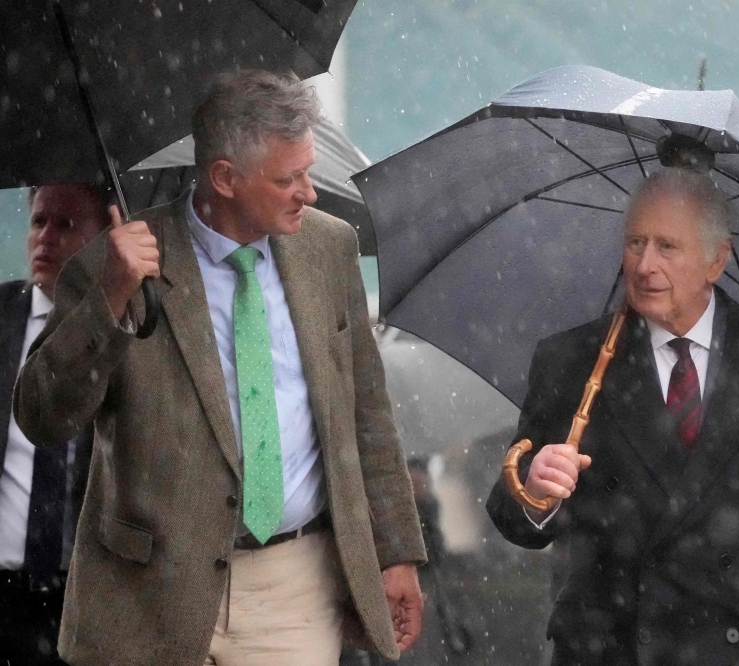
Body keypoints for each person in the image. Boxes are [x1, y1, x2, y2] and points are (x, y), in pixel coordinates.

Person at [12, 70, 426, 666]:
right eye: (289, 178)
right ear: (225, 178)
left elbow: (367, 411)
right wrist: (109, 300)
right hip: (147, 595)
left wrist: (396, 552)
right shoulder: (112, 262)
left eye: (307, 172)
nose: (308, 193)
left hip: (294, 589)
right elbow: (43, 415)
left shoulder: (330, 248)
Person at [487, 168, 739, 666]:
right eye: (635, 242)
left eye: (667, 247)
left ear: (716, 259)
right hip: (609, 646)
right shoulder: (574, 360)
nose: (644, 265)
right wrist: (535, 489)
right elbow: (514, 515)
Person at [0, 183, 107, 665]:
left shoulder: (126, 331)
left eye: (65, 225)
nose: (45, 238)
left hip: (84, 597)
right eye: (40, 221)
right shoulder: (3, 316)